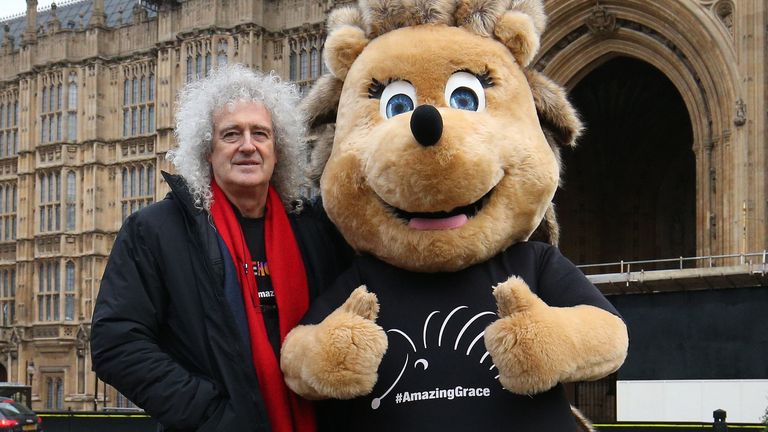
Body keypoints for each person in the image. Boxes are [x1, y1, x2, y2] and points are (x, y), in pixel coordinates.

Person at [90, 64, 351, 432]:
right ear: (207, 151)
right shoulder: (155, 231)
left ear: (279, 150)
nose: (248, 145)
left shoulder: (315, 230)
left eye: (260, 133)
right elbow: (115, 344)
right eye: (231, 134)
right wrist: (212, 417)